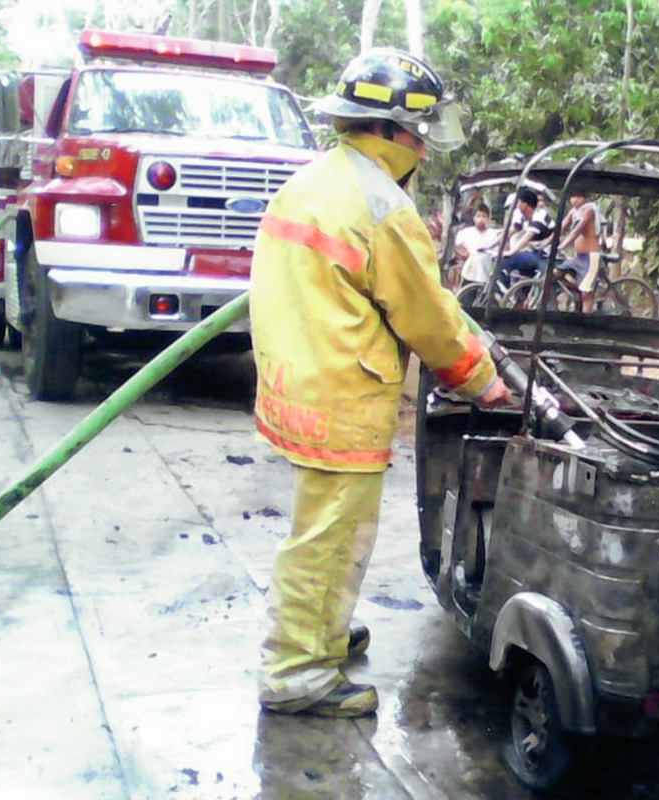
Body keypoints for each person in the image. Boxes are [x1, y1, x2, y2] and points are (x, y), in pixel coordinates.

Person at [249, 49, 512, 718]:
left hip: (297, 380)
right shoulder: (383, 206)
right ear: (391, 130)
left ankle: (322, 632)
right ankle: (297, 672)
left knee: (326, 528)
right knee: (330, 537)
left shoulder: (313, 180)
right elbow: (427, 317)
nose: (423, 147)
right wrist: (483, 381)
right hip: (343, 394)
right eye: (418, 133)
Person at [495, 188, 555, 286]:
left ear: (524, 204)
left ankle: (504, 289)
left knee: (506, 261)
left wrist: (511, 252)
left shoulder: (539, 215)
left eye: (518, 202)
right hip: (534, 252)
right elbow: (508, 232)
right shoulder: (525, 218)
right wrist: (490, 245)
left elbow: (528, 236)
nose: (517, 206)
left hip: (544, 255)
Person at [556, 188, 601, 312]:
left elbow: (576, 231)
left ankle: (586, 319)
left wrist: (562, 245)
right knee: (556, 273)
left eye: (578, 197)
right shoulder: (573, 212)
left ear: (585, 198)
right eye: (573, 197)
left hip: (590, 257)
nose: (574, 200)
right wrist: (546, 241)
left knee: (586, 293)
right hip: (578, 257)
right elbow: (560, 228)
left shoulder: (588, 211)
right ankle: (576, 296)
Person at [454, 202, 502, 285]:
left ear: (488, 218)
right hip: (470, 272)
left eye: (484, 216)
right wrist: (463, 254)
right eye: (478, 216)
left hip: (487, 270)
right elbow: (456, 246)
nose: (481, 219)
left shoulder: (493, 234)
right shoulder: (466, 233)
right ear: (474, 218)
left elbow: (496, 252)